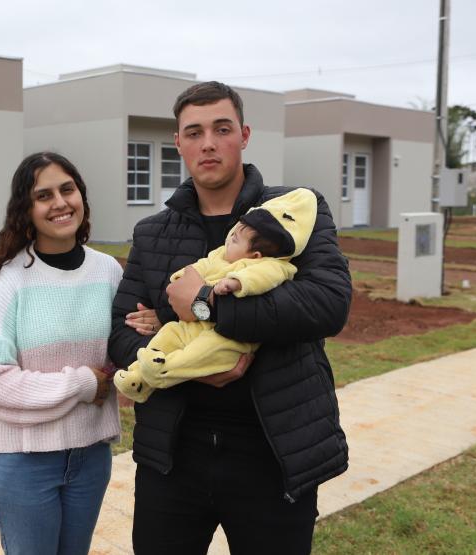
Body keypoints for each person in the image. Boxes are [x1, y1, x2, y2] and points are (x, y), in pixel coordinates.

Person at [108, 82, 351, 554]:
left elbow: (327, 303)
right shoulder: (153, 233)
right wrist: (184, 362)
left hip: (272, 452)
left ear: (244, 135)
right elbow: (121, 332)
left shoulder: (293, 214)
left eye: (222, 129)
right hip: (172, 455)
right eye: (194, 132)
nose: (209, 143)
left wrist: (203, 306)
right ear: (178, 143)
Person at [0, 152, 122, 555]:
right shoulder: (9, 283)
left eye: (67, 189)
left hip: (90, 456)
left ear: (82, 197)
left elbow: (123, 348)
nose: (59, 202)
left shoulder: (108, 271)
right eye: (44, 195)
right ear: (27, 210)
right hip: (23, 463)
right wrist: (83, 383)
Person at [113, 187, 317, 403]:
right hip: (191, 330)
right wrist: (181, 277)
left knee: (205, 350)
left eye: (236, 240)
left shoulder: (271, 265)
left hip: (226, 337)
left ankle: (167, 370)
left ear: (255, 254)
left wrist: (235, 283)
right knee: (170, 333)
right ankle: (139, 378)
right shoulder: (220, 253)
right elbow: (202, 266)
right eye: (234, 234)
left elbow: (262, 277)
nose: (229, 240)